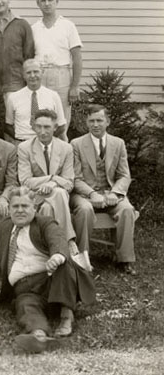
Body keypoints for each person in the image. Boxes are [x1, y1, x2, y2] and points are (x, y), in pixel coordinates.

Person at [0, 187, 95, 353]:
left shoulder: (44, 223)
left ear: (34, 208)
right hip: (25, 289)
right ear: (10, 208)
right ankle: (39, 335)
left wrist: (56, 256)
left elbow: (57, 239)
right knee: (25, 305)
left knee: (64, 263)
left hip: (51, 281)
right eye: (15, 206)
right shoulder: (5, 226)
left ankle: (66, 315)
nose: (20, 210)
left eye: (25, 206)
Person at [70, 105, 137, 274]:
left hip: (110, 192)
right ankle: (82, 259)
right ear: (86, 123)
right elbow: (75, 178)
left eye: (99, 120)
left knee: (127, 210)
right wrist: (92, 194)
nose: (95, 124)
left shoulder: (118, 143)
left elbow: (124, 175)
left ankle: (124, 259)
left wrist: (115, 192)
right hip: (85, 194)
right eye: (91, 121)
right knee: (84, 210)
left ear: (107, 122)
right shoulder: (76, 144)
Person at [18, 110, 77, 248]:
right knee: (59, 193)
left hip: (57, 197)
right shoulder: (24, 148)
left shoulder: (66, 148)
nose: (42, 131)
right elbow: (25, 181)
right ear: (33, 127)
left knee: (49, 206)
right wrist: (53, 178)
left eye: (47, 127)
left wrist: (52, 185)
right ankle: (69, 241)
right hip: (35, 196)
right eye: (38, 127)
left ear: (55, 127)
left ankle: (51, 248)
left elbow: (69, 184)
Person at [32, 0, 83, 128]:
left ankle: (61, 148)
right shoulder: (34, 28)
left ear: (57, 1)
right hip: (40, 75)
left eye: (50, 0)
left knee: (61, 121)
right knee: (41, 117)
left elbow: (77, 58)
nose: (47, 3)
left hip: (61, 75)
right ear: (38, 3)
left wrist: (75, 86)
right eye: (43, 0)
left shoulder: (68, 26)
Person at [5, 59, 66, 143]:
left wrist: (46, 139)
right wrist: (20, 139)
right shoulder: (13, 97)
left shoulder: (53, 96)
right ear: (23, 75)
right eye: (28, 72)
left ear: (42, 72)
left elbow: (61, 125)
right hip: (22, 142)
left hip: (46, 142)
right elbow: (8, 125)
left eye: (36, 72)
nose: (32, 76)